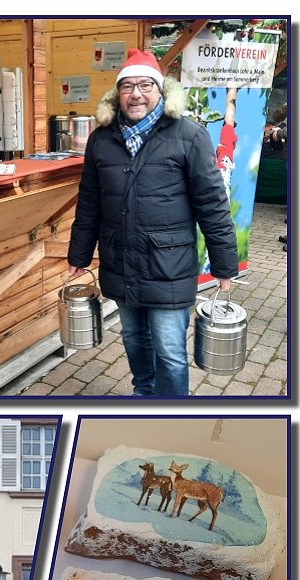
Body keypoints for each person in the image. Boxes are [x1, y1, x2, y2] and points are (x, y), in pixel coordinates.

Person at [67, 49, 238, 396]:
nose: (136, 94)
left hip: (168, 264)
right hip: (121, 259)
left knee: (170, 351)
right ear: (118, 93)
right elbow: (89, 203)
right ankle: (143, 395)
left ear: (160, 90)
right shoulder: (102, 138)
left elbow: (212, 205)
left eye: (145, 85)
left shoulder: (189, 135)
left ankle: (173, 412)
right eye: (127, 86)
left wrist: (224, 265)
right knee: (133, 339)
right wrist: (79, 256)